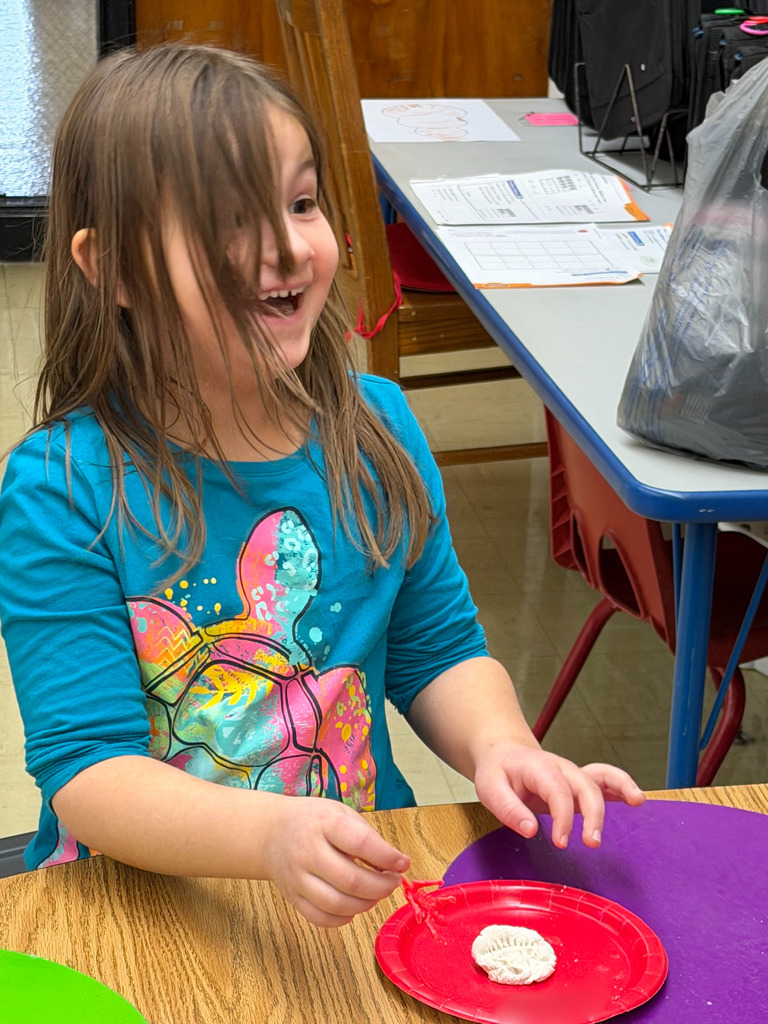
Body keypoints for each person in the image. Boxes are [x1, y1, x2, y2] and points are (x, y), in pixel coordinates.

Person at [0, 44, 644, 929]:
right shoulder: (61, 487)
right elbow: (89, 772)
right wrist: (268, 838)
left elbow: (439, 652)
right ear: (113, 268)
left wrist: (504, 746)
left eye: (302, 203)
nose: (291, 247)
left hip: (344, 890)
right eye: (230, 220)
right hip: (136, 909)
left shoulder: (374, 431)